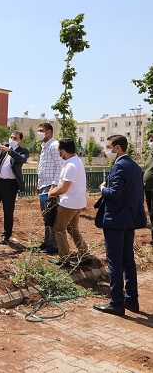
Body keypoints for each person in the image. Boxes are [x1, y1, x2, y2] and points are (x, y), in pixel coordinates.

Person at [93, 135, 147, 316]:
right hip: (129, 220)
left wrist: (102, 188)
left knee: (115, 261)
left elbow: (114, 194)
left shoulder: (119, 166)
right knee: (127, 260)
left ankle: (117, 302)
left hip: (116, 220)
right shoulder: (135, 166)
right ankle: (131, 299)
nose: (106, 150)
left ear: (117, 148)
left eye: (108, 147)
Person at [47, 138, 93, 266]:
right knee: (73, 229)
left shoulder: (71, 165)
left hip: (69, 203)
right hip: (77, 202)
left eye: (59, 151)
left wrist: (51, 193)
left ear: (63, 151)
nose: (59, 153)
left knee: (59, 228)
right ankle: (86, 256)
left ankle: (64, 259)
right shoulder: (75, 161)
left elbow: (64, 188)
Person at [36, 123, 63, 254]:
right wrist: (39, 184)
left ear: (49, 132)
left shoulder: (54, 145)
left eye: (41, 131)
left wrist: (54, 186)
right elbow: (44, 167)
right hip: (44, 185)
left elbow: (59, 167)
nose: (39, 133)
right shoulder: (45, 146)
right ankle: (47, 241)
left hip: (50, 187)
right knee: (46, 216)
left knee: (51, 215)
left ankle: (53, 244)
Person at [143, 133, 153, 246]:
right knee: (151, 213)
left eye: (151, 140)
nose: (150, 143)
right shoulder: (150, 155)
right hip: (149, 188)